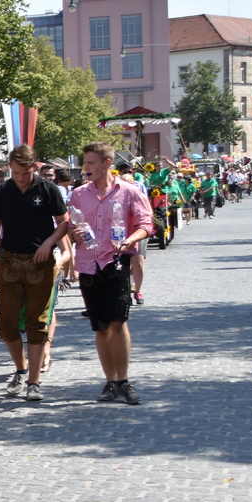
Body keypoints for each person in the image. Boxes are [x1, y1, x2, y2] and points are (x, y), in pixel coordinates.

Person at [63, 143, 153, 405]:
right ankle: (110, 381)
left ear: (107, 163)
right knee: (100, 326)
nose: (86, 168)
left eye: (91, 163)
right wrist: (75, 233)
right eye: (85, 164)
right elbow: (71, 226)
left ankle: (123, 380)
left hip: (116, 261)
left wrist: (130, 239)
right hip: (89, 264)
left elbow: (146, 224)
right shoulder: (79, 194)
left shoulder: (129, 192)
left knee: (118, 321)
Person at [0, 144, 67, 401]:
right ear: (10, 168)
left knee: (37, 322)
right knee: (6, 323)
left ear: (34, 167)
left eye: (25, 173)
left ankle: (34, 380)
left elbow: (64, 224)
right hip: (9, 261)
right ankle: (20, 368)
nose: (20, 178)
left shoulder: (48, 189)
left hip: (40, 263)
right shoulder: (1, 191)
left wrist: (48, 244)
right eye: (16, 173)